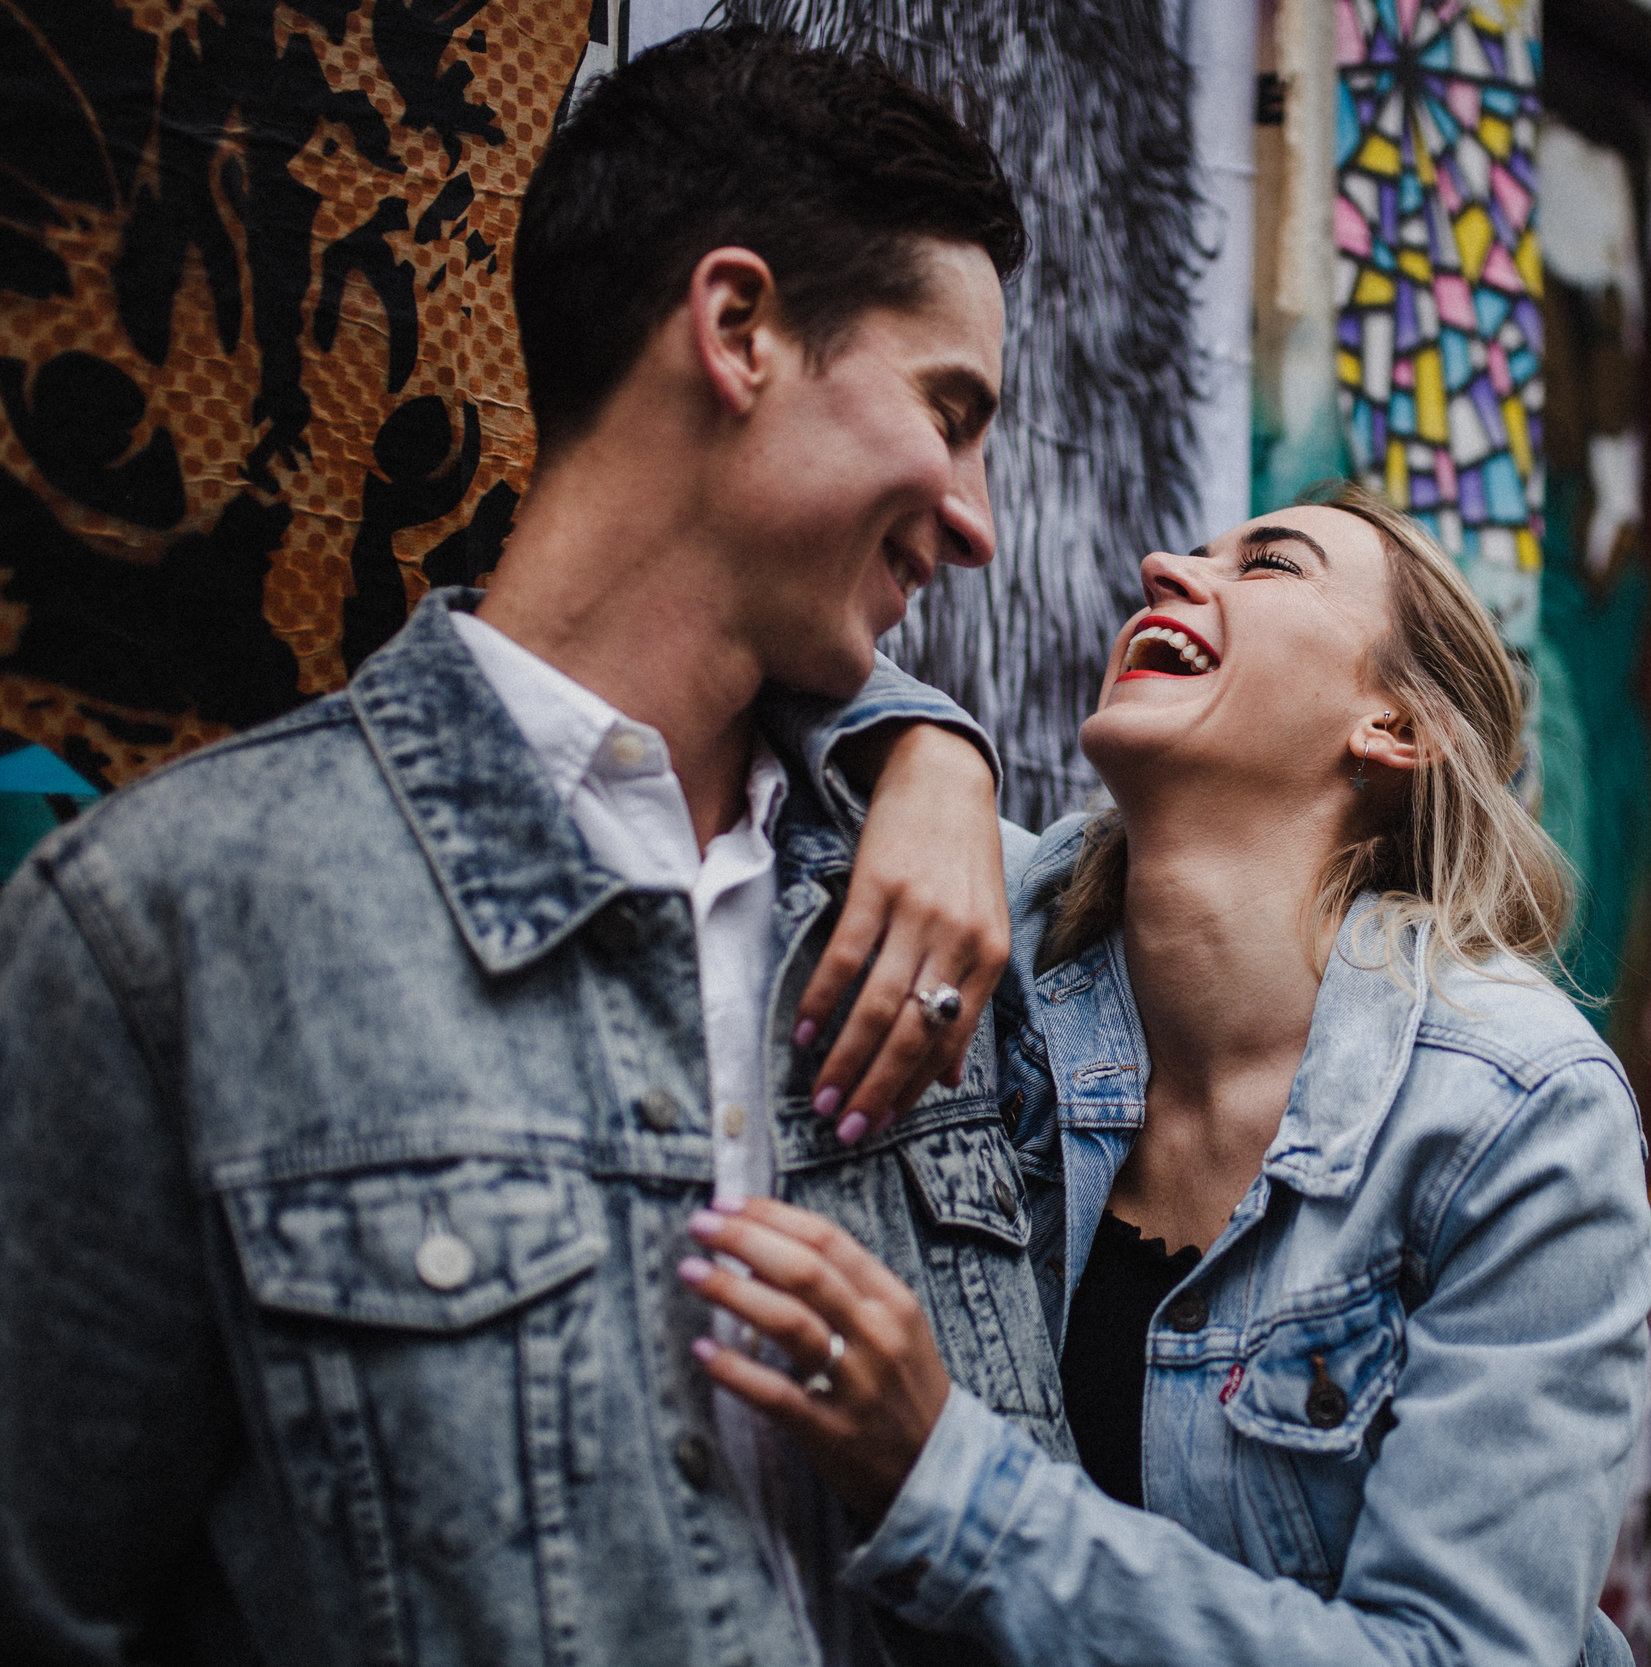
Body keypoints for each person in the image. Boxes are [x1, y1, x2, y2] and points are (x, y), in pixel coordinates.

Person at [0, 30, 1070, 1666]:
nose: (980, 514)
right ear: (737, 329)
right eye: (951, 409)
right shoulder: (169, 930)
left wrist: (930, 740)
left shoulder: (933, 920)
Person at [681, 484, 1651, 1665]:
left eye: (1272, 564)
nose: (1161, 567)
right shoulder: (1006, 949)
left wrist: (947, 1486)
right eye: (1192, 551)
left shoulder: (1514, 1113)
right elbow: (732, 617)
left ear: (1394, 727)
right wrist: (935, 752)